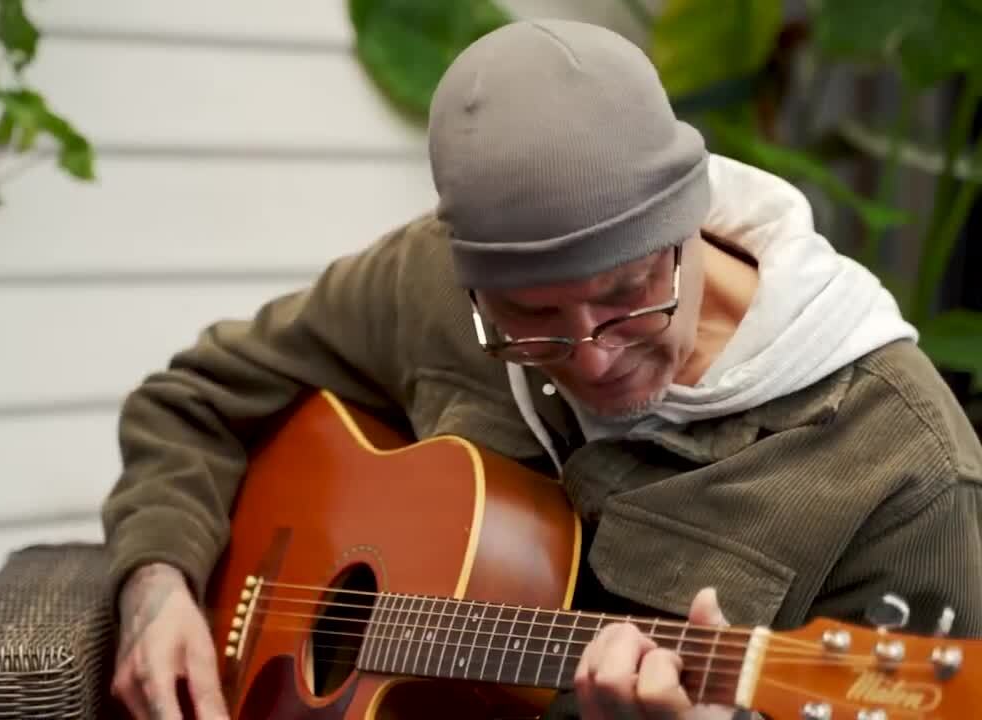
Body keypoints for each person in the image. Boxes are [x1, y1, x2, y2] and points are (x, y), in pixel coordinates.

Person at [101, 17, 982, 720]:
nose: (593, 355)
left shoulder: (905, 464)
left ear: (692, 225)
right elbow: (193, 402)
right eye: (532, 321)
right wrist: (158, 584)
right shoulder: (425, 283)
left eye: (630, 296)